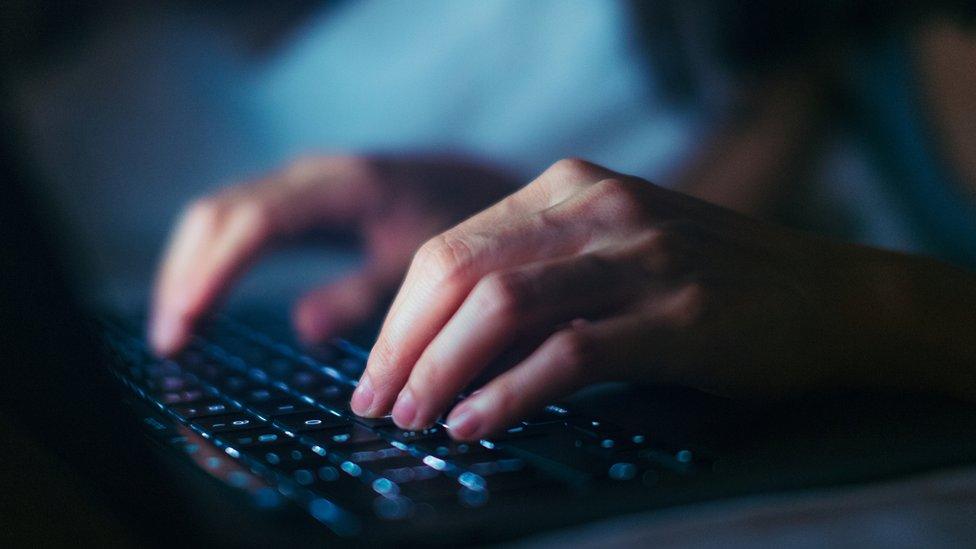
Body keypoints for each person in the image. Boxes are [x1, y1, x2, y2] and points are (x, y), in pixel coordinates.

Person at [148, 7, 976, 442]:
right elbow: (741, 219)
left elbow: (808, 284)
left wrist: (869, 302)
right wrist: (517, 229)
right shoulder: (830, 41)